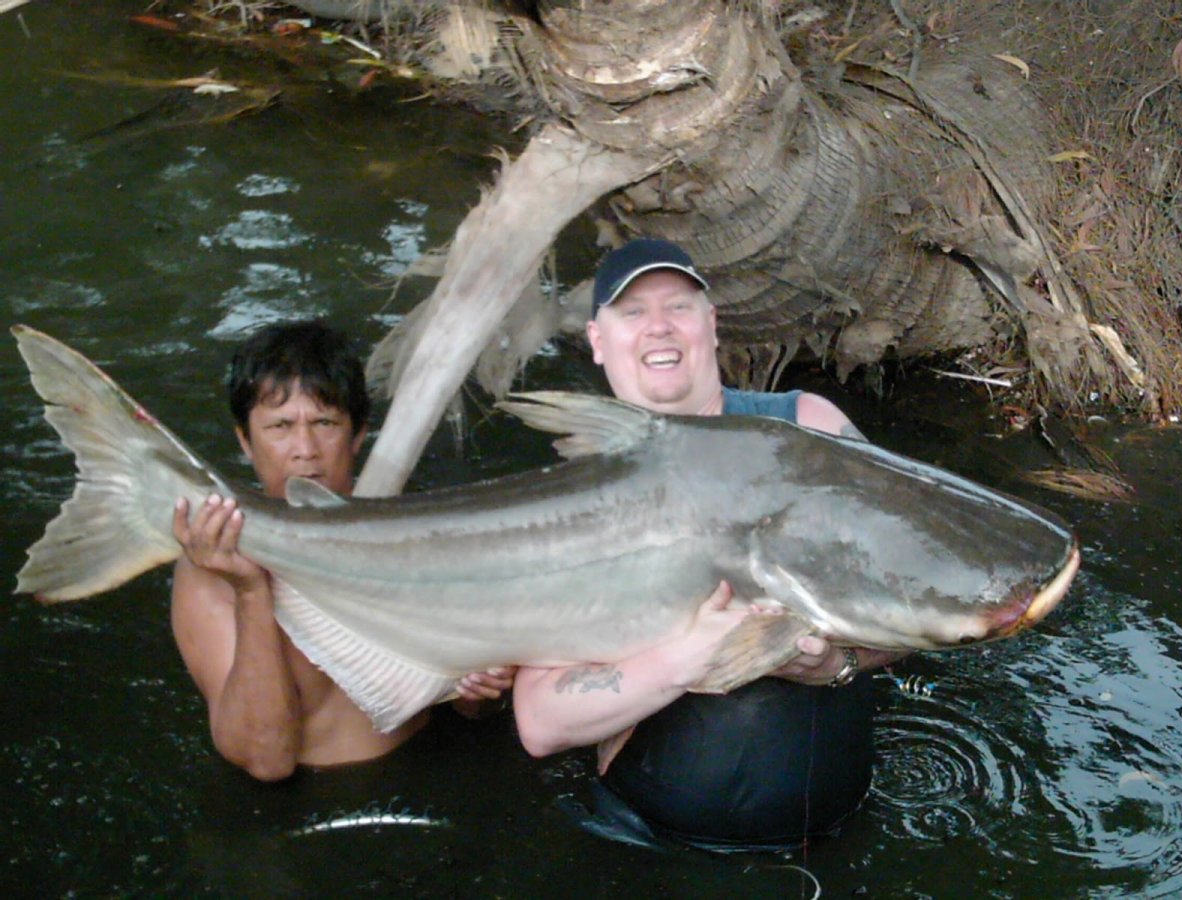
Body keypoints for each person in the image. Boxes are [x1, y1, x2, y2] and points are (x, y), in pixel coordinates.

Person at [513, 238, 909, 850]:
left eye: (678, 306)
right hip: (649, 844)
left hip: (842, 836)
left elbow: (920, 588)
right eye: (633, 311)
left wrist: (838, 664)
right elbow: (541, 721)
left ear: (711, 323)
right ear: (597, 339)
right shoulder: (577, 492)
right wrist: (692, 657)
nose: (659, 327)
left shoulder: (809, 428)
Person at [170, 320, 513, 782]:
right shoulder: (210, 567)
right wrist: (252, 592)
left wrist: (480, 695)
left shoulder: (413, 535)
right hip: (307, 802)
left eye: (324, 423)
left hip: (431, 772)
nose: (305, 450)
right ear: (245, 441)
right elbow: (266, 761)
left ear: (357, 435)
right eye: (280, 426)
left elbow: (472, 708)